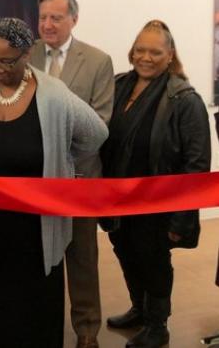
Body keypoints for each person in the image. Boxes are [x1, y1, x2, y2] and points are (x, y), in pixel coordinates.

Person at [0, 18, 108, 348]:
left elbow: (96, 133)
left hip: (38, 225)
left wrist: (64, 158)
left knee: (35, 308)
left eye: (7, 60)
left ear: (27, 54)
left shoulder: (54, 94)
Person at [102, 20, 210, 348]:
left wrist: (181, 218)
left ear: (170, 55)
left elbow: (197, 165)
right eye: (140, 50)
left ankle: (157, 325)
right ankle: (139, 308)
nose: (145, 57)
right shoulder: (119, 85)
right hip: (118, 198)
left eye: (155, 52)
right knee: (125, 252)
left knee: (153, 260)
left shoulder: (184, 99)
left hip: (158, 205)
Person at [29, 0, 114, 348]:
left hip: (80, 179)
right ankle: (41, 323)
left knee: (82, 258)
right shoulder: (27, 54)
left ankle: (87, 330)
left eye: (56, 18)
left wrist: (59, 150)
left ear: (73, 20)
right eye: (43, 17)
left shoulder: (97, 61)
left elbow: (100, 122)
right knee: (40, 257)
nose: (47, 25)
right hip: (37, 180)